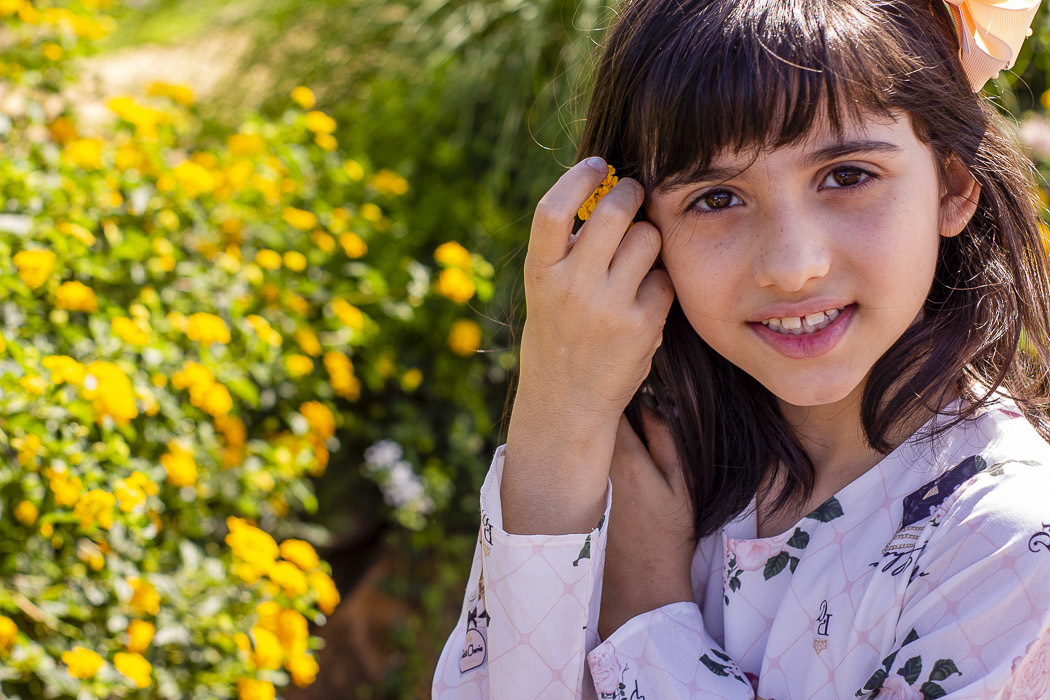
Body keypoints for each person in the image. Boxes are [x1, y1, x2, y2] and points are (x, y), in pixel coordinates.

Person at [432, 0, 1050, 697]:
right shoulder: (638, 468)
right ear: (636, 226)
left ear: (952, 184)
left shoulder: (1008, 544)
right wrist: (556, 409)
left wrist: (648, 612)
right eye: (717, 197)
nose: (791, 265)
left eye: (847, 176)